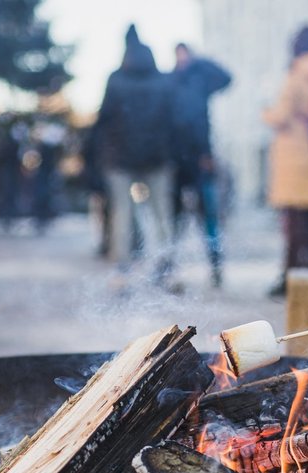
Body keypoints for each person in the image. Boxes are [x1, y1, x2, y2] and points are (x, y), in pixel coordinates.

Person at [95, 25, 178, 292]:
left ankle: (121, 270)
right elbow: (173, 119)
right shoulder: (163, 81)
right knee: (162, 213)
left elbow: (104, 118)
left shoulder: (116, 80)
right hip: (158, 157)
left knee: (122, 213)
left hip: (120, 158)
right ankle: (167, 265)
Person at [263, 26, 308, 296]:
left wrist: (265, 114)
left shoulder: (295, 75)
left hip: (293, 156)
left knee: (294, 224)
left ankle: (291, 278)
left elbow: (280, 115)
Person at [171, 43, 231, 288]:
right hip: (176, 162)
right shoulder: (171, 81)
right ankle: (168, 267)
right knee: (175, 219)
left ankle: (216, 265)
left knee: (208, 218)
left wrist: (198, 62)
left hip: (200, 159)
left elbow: (226, 78)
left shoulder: (200, 79)